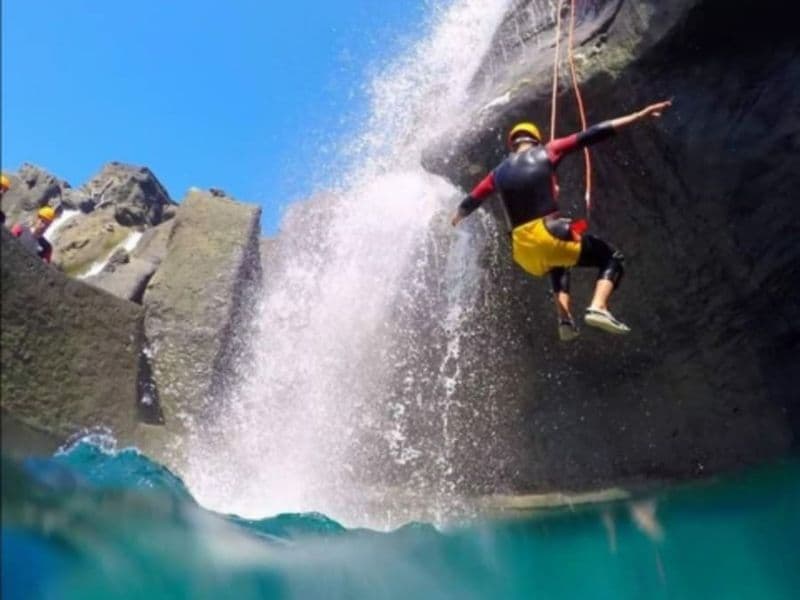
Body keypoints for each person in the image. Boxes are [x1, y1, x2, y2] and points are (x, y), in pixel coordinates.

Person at [452, 100, 672, 341]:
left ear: (512, 145)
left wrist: (456, 218)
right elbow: (593, 133)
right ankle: (598, 307)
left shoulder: (496, 174)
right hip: (548, 233)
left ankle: (565, 320)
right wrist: (640, 114)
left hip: (522, 251)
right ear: (535, 140)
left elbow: (470, 201)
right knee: (611, 257)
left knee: (559, 262)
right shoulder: (549, 150)